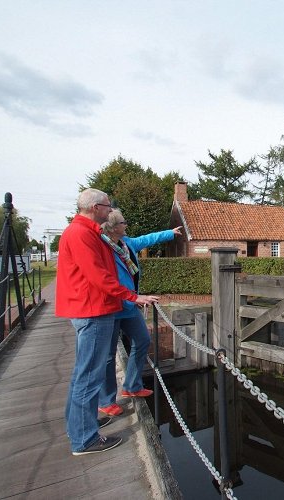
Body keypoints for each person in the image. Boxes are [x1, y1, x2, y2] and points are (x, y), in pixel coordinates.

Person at [56, 188, 158, 456]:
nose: (109, 210)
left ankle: (79, 426)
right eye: (107, 205)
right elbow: (98, 276)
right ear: (95, 207)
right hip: (93, 310)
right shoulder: (82, 234)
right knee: (89, 376)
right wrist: (133, 297)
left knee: (84, 374)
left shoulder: (85, 231)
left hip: (94, 308)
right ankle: (85, 439)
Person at [97, 209, 182, 416]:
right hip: (112, 306)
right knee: (107, 356)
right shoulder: (103, 249)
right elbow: (105, 281)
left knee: (143, 340)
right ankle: (106, 401)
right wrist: (132, 297)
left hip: (129, 306)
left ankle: (131, 386)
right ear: (114, 227)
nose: (127, 225)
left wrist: (170, 233)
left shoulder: (126, 244)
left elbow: (147, 239)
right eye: (124, 222)